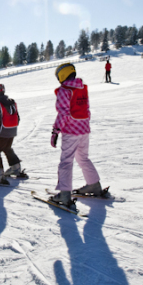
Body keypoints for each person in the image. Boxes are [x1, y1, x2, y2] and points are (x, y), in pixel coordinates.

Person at [49, 63, 102, 209]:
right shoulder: (82, 88)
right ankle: (94, 185)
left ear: (62, 75)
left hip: (71, 130)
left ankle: (64, 194)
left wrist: (55, 131)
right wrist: (84, 124)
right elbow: (87, 109)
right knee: (83, 158)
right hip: (84, 129)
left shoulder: (64, 90)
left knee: (66, 161)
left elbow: (63, 113)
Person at [0, 83, 21, 182]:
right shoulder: (11, 102)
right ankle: (16, 168)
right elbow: (18, 118)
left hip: (3, 131)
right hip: (12, 129)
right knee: (7, 148)